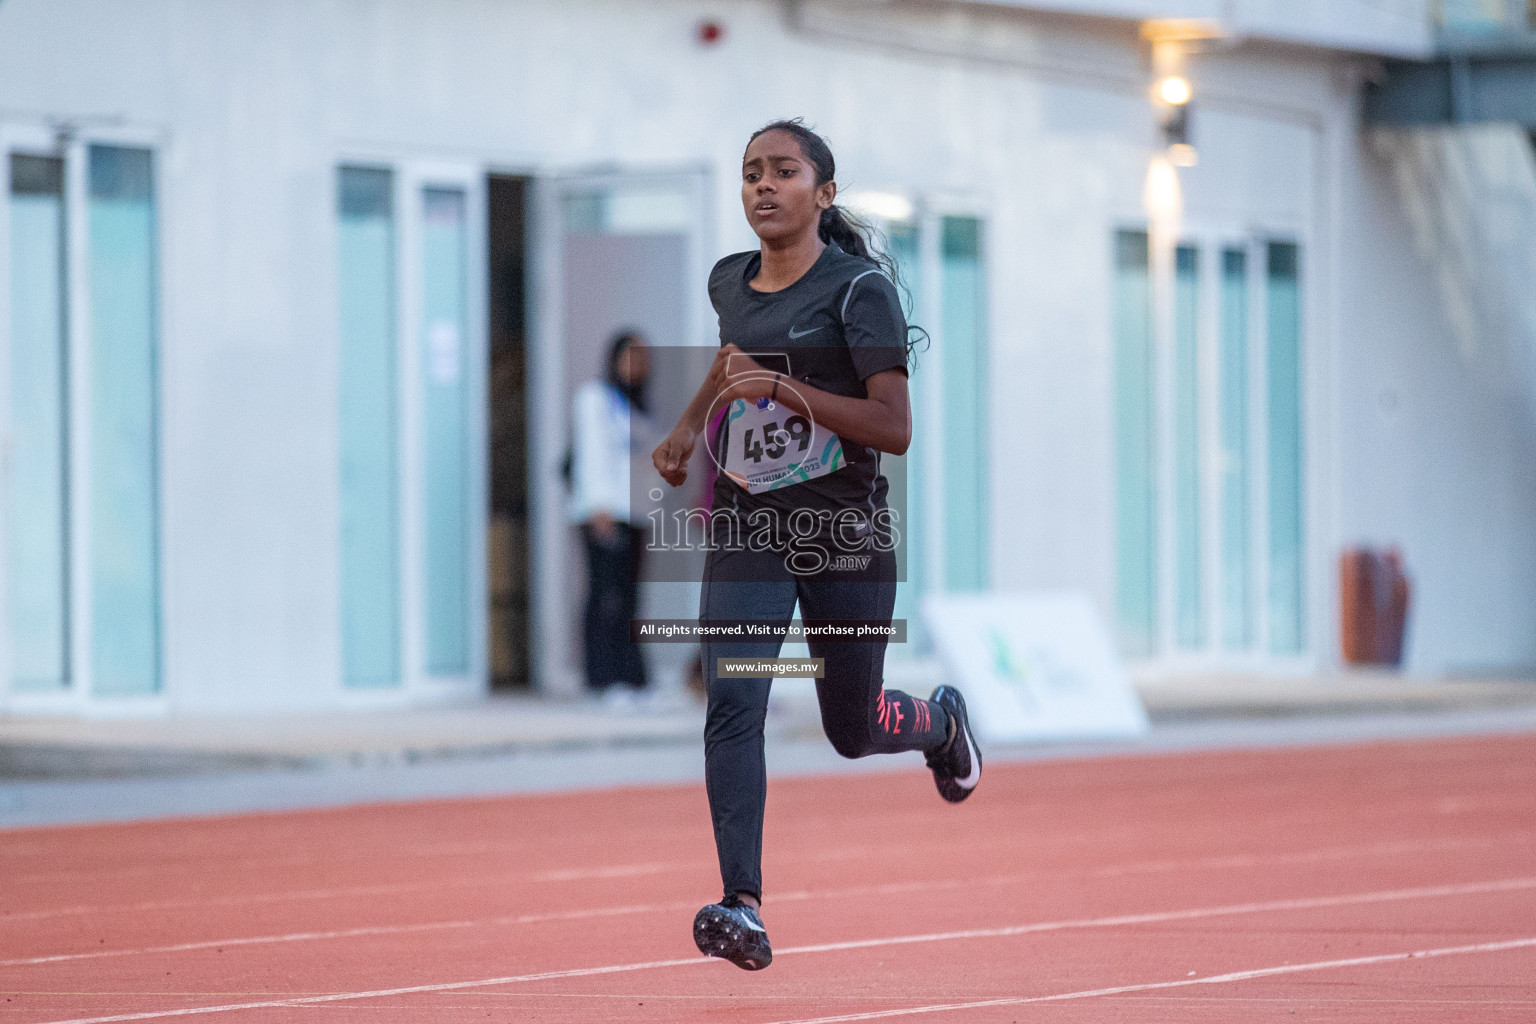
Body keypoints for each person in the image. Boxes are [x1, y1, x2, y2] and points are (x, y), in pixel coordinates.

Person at [652, 119, 982, 971]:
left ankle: (943, 726)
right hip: (751, 523)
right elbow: (732, 363)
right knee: (735, 700)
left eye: (783, 172)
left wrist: (784, 390)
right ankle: (743, 906)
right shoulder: (732, 280)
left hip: (843, 534)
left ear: (822, 193)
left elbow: (894, 427)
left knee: (853, 726)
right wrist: (688, 432)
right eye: (751, 173)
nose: (763, 186)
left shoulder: (857, 291)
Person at [571, 330, 653, 702]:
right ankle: (600, 679)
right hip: (604, 511)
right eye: (631, 355)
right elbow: (591, 454)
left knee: (631, 598)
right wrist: (597, 507)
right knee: (605, 596)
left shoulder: (637, 406)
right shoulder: (595, 398)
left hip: (635, 514)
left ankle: (630, 676)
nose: (638, 364)